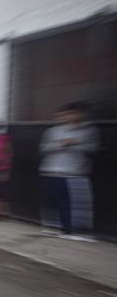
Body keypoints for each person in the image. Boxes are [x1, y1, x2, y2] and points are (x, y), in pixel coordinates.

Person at [39, 102, 99, 241]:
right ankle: (54, 227)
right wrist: (59, 144)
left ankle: (75, 230)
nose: (67, 117)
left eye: (72, 113)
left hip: (74, 172)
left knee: (75, 203)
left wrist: (75, 143)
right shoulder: (53, 131)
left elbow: (93, 149)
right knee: (54, 201)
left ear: (80, 114)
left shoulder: (88, 130)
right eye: (65, 114)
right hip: (51, 170)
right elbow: (43, 149)